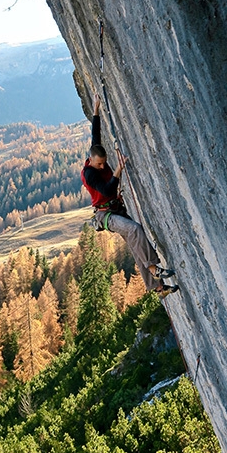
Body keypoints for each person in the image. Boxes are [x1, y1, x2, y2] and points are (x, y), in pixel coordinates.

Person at [81, 94, 178, 299]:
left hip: (116, 209)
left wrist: (96, 107)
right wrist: (118, 170)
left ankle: (159, 289)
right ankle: (154, 269)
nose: (102, 166)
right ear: (91, 160)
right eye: (99, 164)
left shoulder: (95, 154)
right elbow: (107, 191)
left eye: (103, 163)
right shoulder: (89, 174)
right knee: (135, 230)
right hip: (105, 216)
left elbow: (95, 133)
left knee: (136, 246)